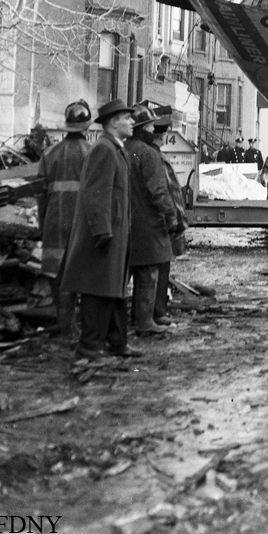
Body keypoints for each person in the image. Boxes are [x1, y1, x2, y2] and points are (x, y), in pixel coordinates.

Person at [59, 99, 142, 360]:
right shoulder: (104, 149)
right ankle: (90, 346)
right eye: (127, 118)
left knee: (114, 289)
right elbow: (96, 194)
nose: (132, 122)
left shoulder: (114, 148)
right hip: (104, 235)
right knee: (98, 290)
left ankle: (117, 342)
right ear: (112, 122)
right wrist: (101, 230)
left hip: (114, 232)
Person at [38, 100, 93, 336]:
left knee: (57, 275)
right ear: (87, 127)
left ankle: (65, 326)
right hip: (83, 224)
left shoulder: (49, 154)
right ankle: (83, 329)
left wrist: (43, 224)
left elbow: (41, 195)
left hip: (54, 221)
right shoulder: (92, 153)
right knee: (86, 275)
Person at [125, 105, 179, 337]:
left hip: (126, 222)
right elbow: (159, 191)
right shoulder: (147, 153)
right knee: (149, 272)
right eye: (149, 125)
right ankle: (145, 321)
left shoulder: (123, 149)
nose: (152, 128)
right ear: (142, 128)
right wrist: (171, 216)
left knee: (127, 272)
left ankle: (134, 317)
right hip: (149, 222)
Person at [149, 110, 188, 326]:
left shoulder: (153, 154)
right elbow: (161, 191)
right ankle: (156, 311)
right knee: (159, 268)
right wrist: (173, 219)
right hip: (159, 222)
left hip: (158, 220)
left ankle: (154, 310)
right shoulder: (153, 156)